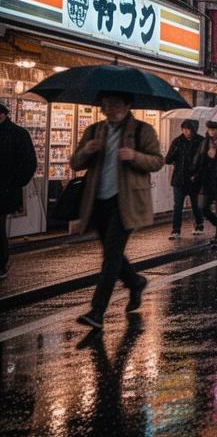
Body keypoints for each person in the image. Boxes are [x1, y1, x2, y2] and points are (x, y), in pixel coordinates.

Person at [71, 92, 164, 329]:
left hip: (126, 202)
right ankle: (135, 282)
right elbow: (75, 163)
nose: (110, 109)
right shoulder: (94, 131)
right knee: (112, 254)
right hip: (97, 201)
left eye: (115, 104)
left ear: (128, 105)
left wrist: (135, 156)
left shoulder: (142, 130)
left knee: (111, 257)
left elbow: (157, 161)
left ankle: (97, 311)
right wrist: (87, 151)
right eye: (106, 105)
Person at [0, 102, 37, 280]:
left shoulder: (18, 134)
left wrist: (14, 183)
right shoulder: (18, 134)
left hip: (5, 190)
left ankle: (1, 264)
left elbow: (29, 163)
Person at [165, 120, 203, 239]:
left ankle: (199, 225)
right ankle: (176, 230)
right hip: (179, 179)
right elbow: (168, 160)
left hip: (194, 180)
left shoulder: (201, 141)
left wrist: (197, 175)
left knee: (196, 204)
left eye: (190, 129)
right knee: (178, 206)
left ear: (195, 130)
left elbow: (203, 162)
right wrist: (175, 152)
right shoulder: (177, 142)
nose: (187, 132)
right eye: (185, 129)